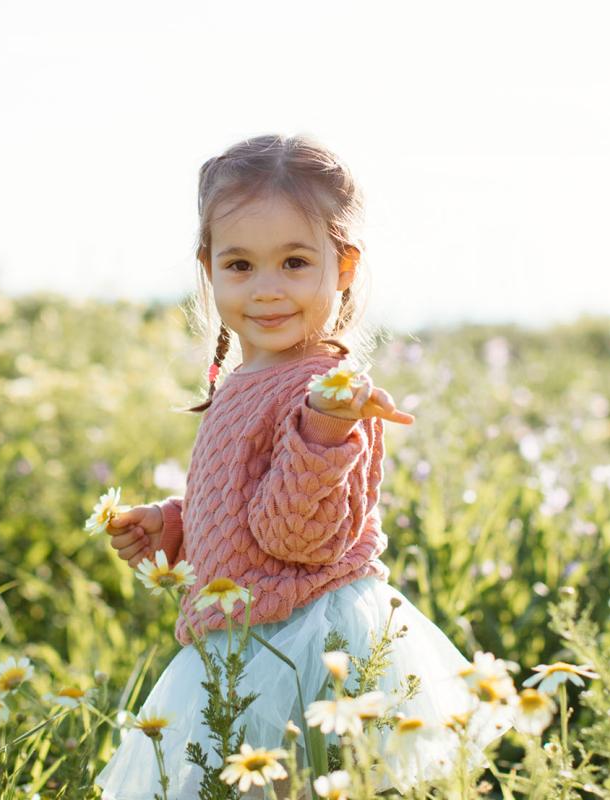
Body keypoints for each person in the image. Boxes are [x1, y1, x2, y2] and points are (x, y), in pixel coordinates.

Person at [95, 134, 508, 799]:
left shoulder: (330, 395)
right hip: (247, 634)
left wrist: (323, 429)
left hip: (303, 641)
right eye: (240, 265)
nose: (267, 290)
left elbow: (296, 538)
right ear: (209, 268)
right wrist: (173, 525)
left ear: (343, 266)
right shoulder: (245, 382)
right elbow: (246, 507)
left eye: (294, 262)